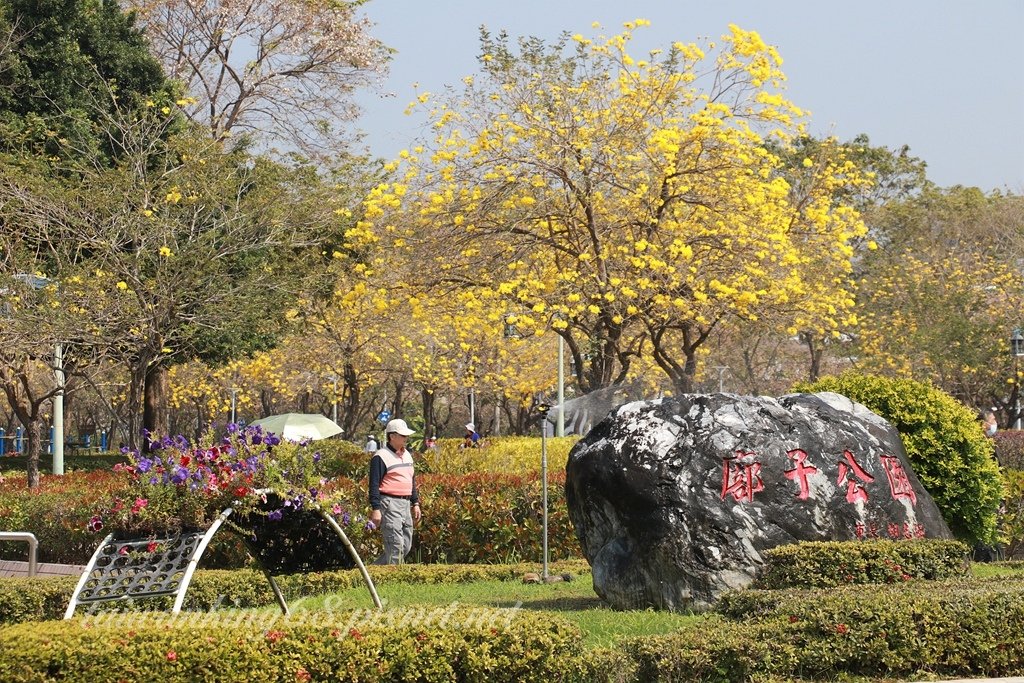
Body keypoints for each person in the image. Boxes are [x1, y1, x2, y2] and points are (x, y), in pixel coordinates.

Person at [368, 418, 421, 564]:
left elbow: (411, 480)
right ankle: (394, 582)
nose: (406, 438)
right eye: (403, 436)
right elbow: (373, 485)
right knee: (395, 546)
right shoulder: (381, 456)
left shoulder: (407, 455)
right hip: (389, 503)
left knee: (405, 545)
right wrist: (376, 509)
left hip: (405, 504)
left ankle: (371, 573)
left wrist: (415, 503)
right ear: (392, 436)